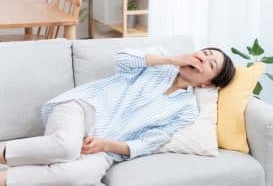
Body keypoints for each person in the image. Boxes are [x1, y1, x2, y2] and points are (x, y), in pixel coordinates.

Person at [0, 47, 235, 186]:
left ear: (208, 83)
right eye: (204, 53)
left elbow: (148, 143)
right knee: (67, 147)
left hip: (106, 149)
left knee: (78, 174)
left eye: (210, 63)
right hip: (83, 109)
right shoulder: (160, 60)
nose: (202, 59)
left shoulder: (187, 111)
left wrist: (106, 144)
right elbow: (123, 59)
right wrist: (173, 60)